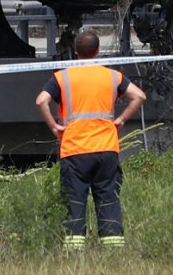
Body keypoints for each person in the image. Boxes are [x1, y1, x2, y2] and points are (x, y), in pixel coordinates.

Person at [35, 29, 146, 251]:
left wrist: (55, 126)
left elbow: (41, 101)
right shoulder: (113, 76)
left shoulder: (62, 77)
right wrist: (121, 119)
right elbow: (139, 96)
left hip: (74, 149)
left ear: (76, 52)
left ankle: (74, 251)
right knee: (108, 199)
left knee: (75, 201)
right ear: (98, 51)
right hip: (106, 148)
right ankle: (113, 250)